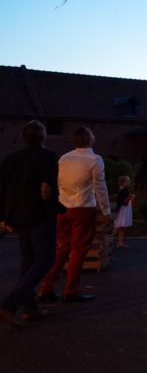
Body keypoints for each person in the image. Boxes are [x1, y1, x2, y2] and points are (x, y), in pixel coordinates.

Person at [38, 127, 111, 304]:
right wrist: (106, 210)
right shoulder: (94, 160)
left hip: (63, 208)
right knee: (79, 250)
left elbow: (58, 182)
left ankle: (45, 287)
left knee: (62, 248)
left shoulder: (64, 158)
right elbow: (100, 187)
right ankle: (70, 290)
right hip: (83, 208)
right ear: (91, 139)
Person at [0, 121, 60, 328]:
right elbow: (47, 189)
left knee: (28, 259)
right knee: (46, 258)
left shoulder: (10, 159)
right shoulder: (48, 157)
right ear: (43, 136)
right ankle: (10, 304)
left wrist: (4, 216)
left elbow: (3, 190)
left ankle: (30, 307)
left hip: (16, 216)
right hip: (38, 215)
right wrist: (56, 207)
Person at [113, 176, 134, 249]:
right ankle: (109, 239)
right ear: (123, 182)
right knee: (119, 226)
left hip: (125, 209)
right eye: (128, 181)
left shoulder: (125, 190)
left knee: (122, 227)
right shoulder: (123, 191)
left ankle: (120, 242)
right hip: (123, 210)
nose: (129, 182)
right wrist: (130, 197)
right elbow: (123, 202)